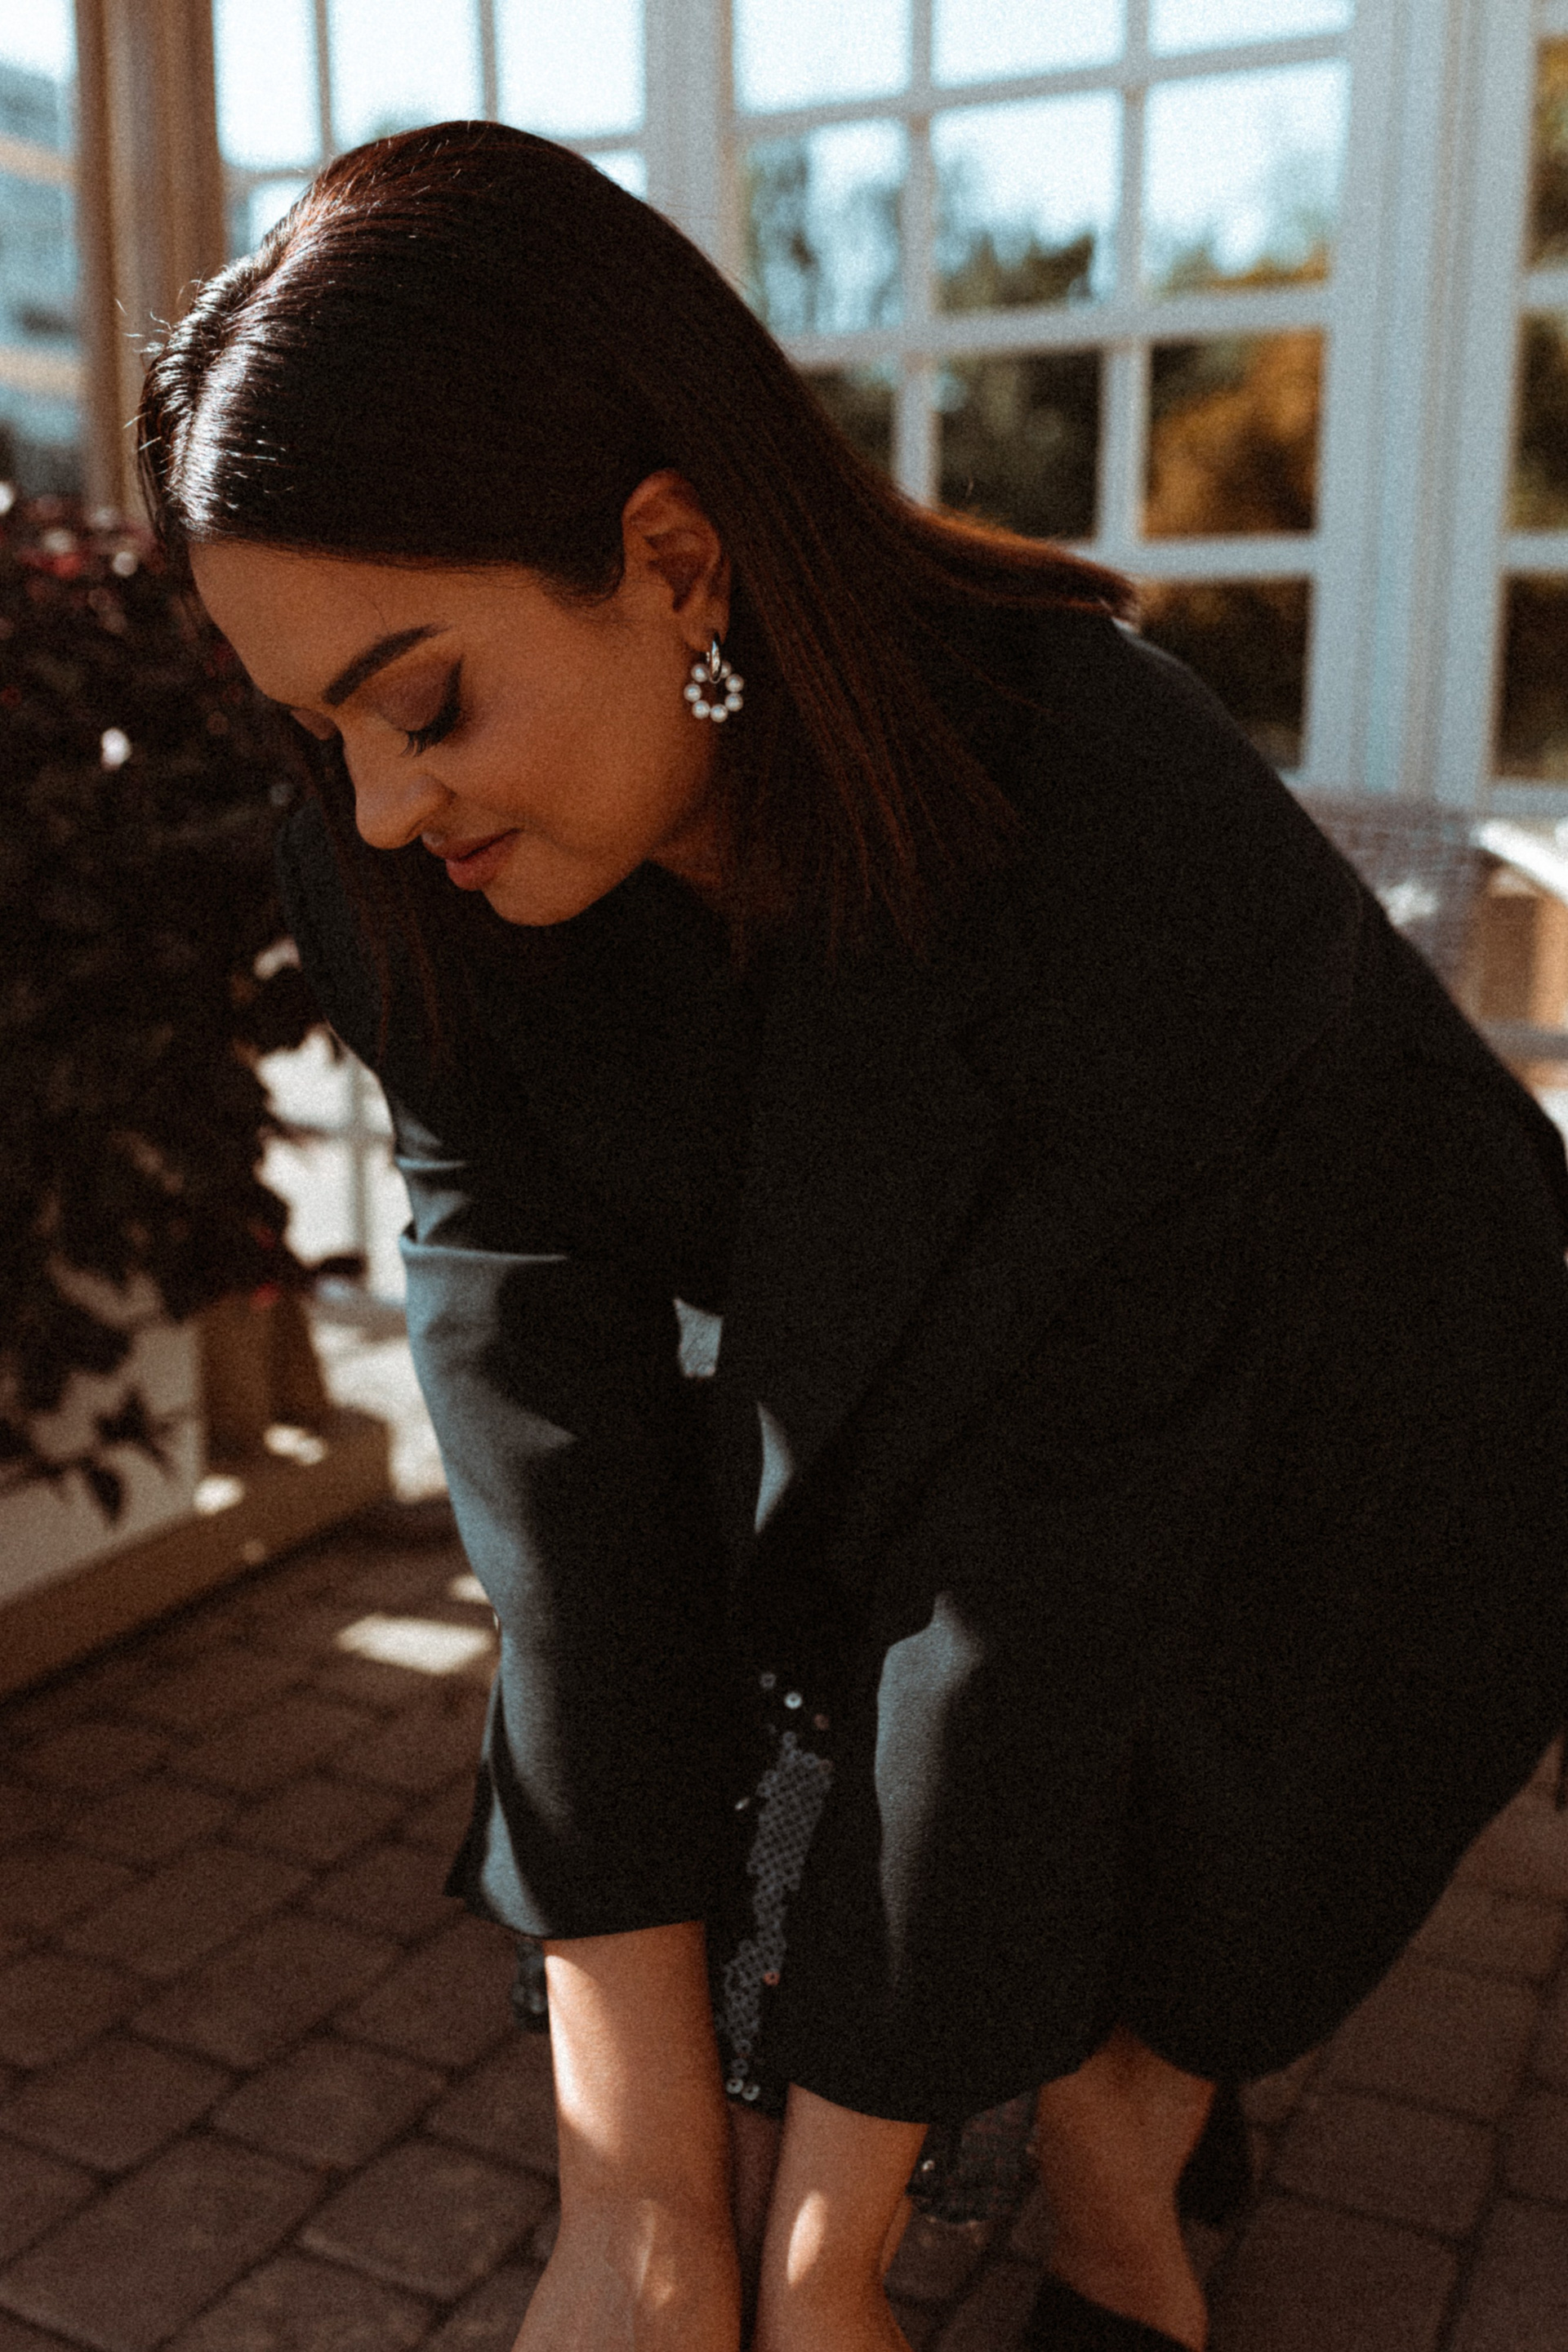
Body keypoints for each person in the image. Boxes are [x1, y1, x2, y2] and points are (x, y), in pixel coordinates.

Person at [137, 121, 1568, 2352]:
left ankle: (1128, 2147)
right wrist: (633, 2203)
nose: (383, 807)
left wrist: (821, 2267)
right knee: (822, 1677)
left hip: (1395, 1329)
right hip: (1004, 1349)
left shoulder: (1103, 811)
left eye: (420, 704)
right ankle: (1065, 2096)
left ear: (674, 559)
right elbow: (557, 1473)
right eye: (316, 730)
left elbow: (1023, 1583)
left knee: (1214, 1827)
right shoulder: (390, 848)